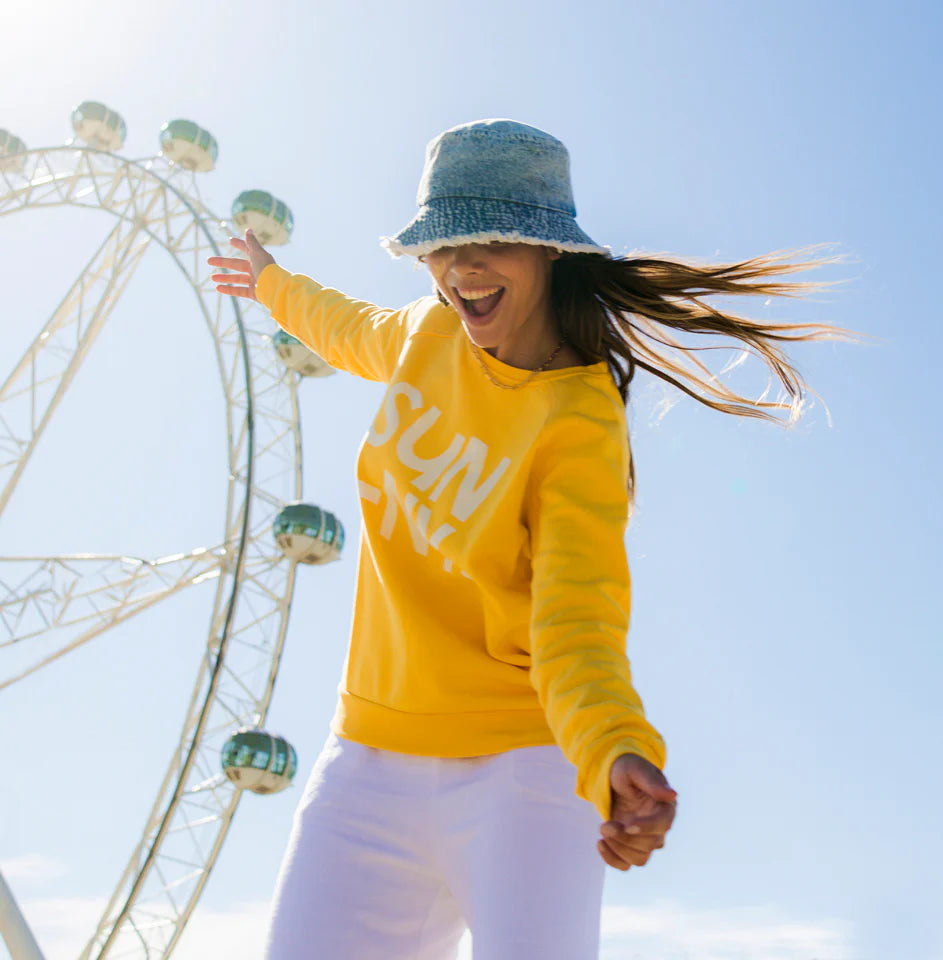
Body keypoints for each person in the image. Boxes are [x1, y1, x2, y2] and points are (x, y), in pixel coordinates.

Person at [208, 118, 858, 960]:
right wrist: (272, 282)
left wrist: (615, 749)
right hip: (365, 762)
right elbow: (344, 325)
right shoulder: (426, 334)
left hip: (524, 773)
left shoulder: (578, 421)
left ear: (548, 250)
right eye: (442, 245)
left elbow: (576, 622)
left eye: (492, 241)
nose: (461, 268)